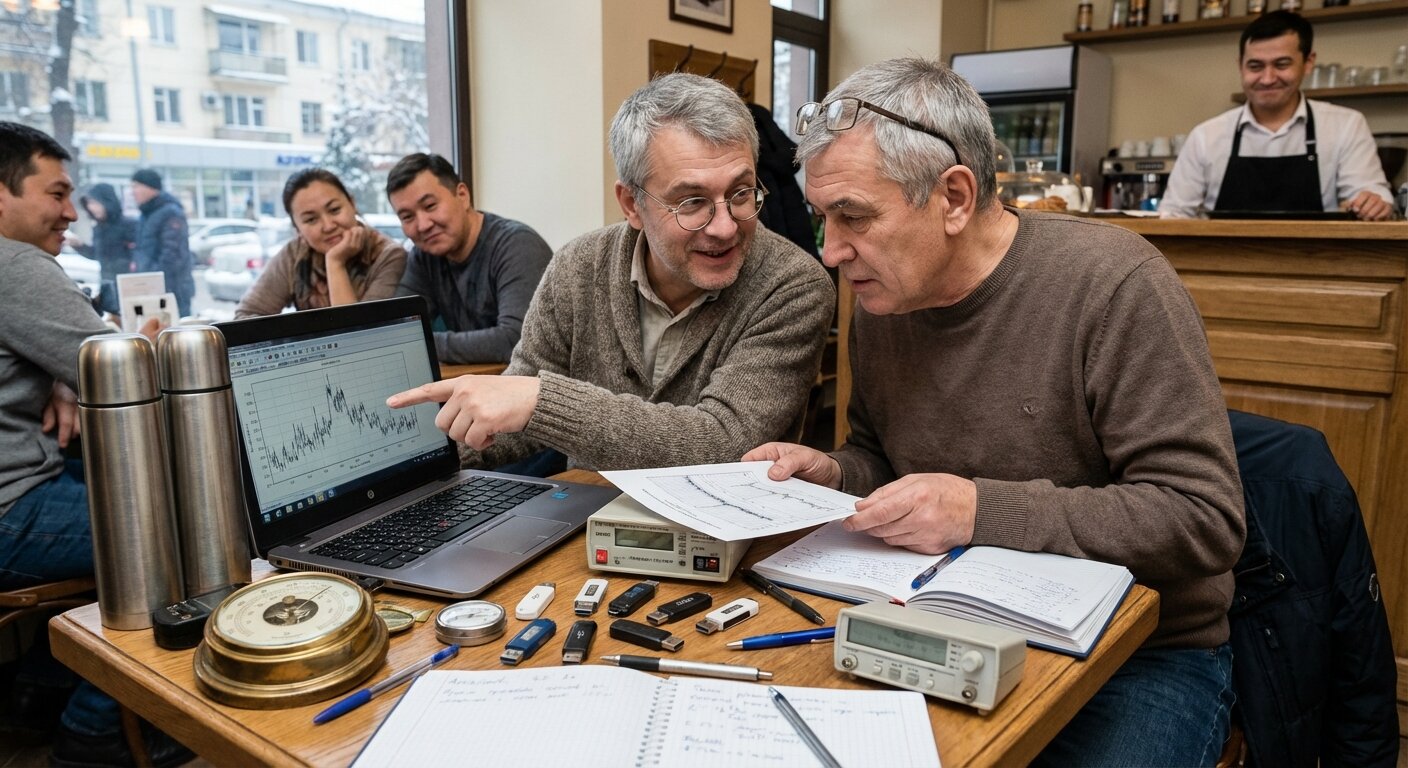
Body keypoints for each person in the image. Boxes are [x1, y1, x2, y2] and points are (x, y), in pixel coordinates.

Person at [744, 58, 1246, 766]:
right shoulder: (884, 296)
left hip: (1137, 652)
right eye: (824, 218)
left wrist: (980, 512)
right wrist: (832, 472)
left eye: (853, 216)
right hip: (943, 619)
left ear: (953, 197)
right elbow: (884, 459)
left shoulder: (1114, 285)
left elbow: (1202, 519)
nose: (829, 251)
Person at [387, 73, 835, 471]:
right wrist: (414, 459)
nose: (724, 226)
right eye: (692, 202)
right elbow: (514, 424)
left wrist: (541, 401)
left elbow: (724, 443)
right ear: (631, 204)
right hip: (579, 529)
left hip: (721, 546)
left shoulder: (793, 286)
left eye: (741, 193)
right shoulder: (578, 266)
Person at [0, 123, 186, 767]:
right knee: (184, 531)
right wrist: (150, 342)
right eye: (56, 193)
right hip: (10, 513)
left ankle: (37, 696)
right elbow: (128, 367)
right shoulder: (15, 263)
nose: (72, 211)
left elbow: (67, 355)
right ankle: (95, 733)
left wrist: (54, 373)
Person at [1160, 11, 1393, 220]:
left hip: (1320, 261)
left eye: (1281, 64)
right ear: (1240, 65)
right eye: (1255, 66)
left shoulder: (1346, 125)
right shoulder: (1206, 135)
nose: (1268, 78)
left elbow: (1370, 194)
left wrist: (1373, 203)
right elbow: (1174, 215)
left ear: (1308, 62)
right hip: (1223, 264)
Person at [387, 153, 551, 364]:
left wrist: (420, 343)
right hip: (478, 385)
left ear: (462, 195)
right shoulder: (424, 256)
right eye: (408, 217)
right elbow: (396, 328)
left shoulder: (517, 245)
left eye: (430, 206)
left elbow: (515, 340)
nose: (423, 225)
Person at [235, 168, 406, 318]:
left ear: (352, 204)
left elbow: (359, 336)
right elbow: (246, 316)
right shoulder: (295, 253)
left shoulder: (389, 255)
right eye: (311, 219)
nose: (328, 226)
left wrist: (335, 262)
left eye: (334, 210)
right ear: (297, 229)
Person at [129, 168, 197, 317]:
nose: (132, 191)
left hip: (172, 292)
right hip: (151, 290)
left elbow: (172, 256)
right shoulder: (146, 214)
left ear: (150, 187)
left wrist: (153, 282)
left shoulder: (170, 213)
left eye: (136, 186)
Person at [66, 183, 137, 316]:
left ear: (107, 201)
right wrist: (78, 245)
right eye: (89, 203)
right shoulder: (99, 227)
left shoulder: (129, 225)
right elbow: (98, 255)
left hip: (129, 287)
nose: (92, 207)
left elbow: (137, 257)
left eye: (95, 202)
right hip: (107, 285)